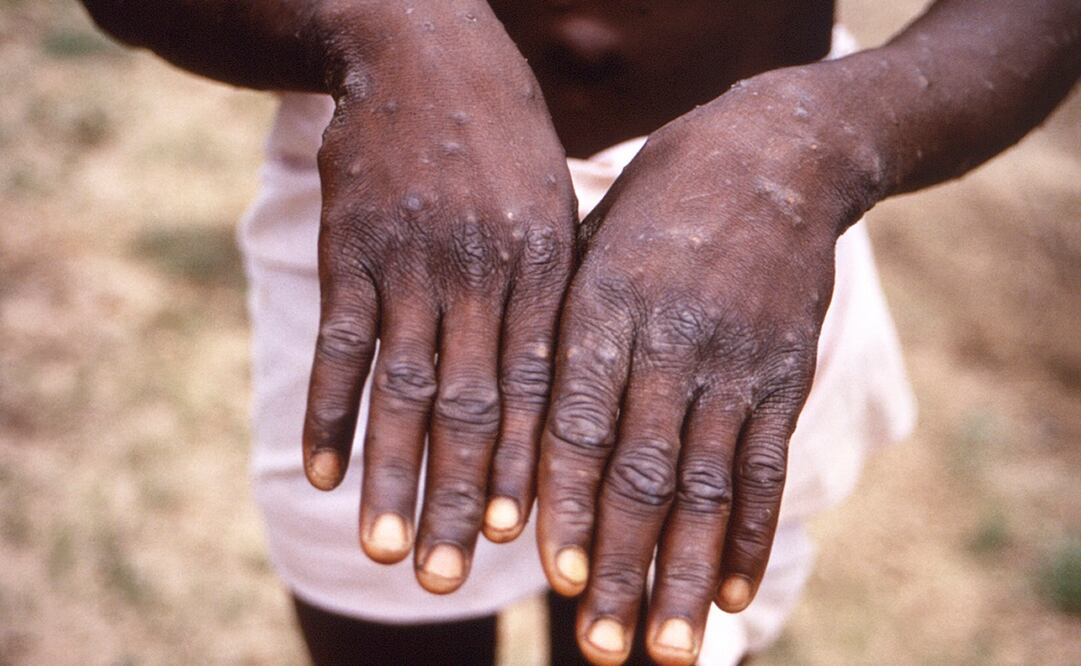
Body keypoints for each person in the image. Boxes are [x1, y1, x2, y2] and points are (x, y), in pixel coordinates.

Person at [79, 1, 1080, 664]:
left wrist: (823, 142)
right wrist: (378, 21)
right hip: (405, 167)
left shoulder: (792, 168)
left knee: (658, 630)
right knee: (380, 622)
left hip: (744, 223)